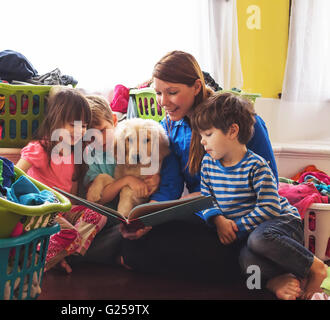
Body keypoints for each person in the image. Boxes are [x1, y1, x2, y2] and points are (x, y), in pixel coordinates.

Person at [120, 50, 280, 279]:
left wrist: (219, 213)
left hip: (243, 218)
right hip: (207, 216)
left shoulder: (239, 120)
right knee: (134, 249)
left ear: (196, 87)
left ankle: (256, 267)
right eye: (158, 93)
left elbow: (269, 183)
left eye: (172, 92)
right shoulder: (170, 126)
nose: (163, 102)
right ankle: (248, 268)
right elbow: (170, 185)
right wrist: (147, 220)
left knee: (254, 244)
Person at [191, 92, 328, 300]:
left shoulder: (256, 166)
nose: (202, 142)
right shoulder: (208, 164)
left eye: (208, 134)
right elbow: (205, 197)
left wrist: (238, 227)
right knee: (247, 265)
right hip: (248, 233)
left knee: (259, 239)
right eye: (201, 135)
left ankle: (314, 266)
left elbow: (270, 208)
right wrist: (218, 219)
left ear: (232, 131)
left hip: (280, 225)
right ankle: (274, 282)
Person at [15, 87, 107, 273]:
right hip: (38, 210)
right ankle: (33, 264)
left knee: (99, 215)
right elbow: (14, 176)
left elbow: (71, 198)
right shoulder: (41, 148)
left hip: (60, 211)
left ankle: (61, 254)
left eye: (83, 125)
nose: (80, 130)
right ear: (56, 121)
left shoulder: (76, 155)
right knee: (68, 232)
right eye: (73, 124)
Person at [65, 95, 159, 267]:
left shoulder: (131, 144)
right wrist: (126, 180)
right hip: (107, 221)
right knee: (100, 231)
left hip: (131, 218)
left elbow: (149, 177)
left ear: (114, 120)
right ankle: (81, 253)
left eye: (101, 130)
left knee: (139, 233)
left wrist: (152, 179)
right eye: (91, 137)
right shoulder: (92, 155)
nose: (98, 140)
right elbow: (97, 198)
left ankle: (110, 254)